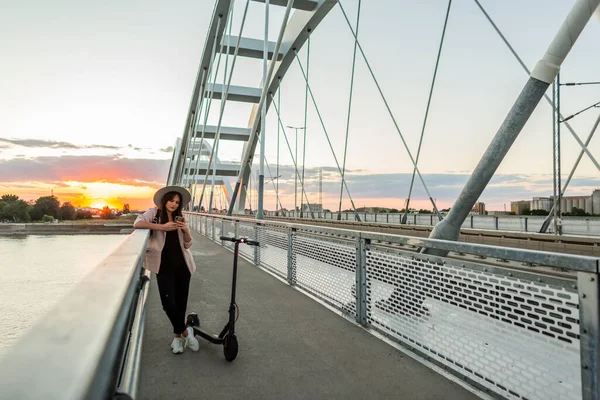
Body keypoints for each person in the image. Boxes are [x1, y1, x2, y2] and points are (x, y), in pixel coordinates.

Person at [133, 185, 200, 354]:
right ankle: (186, 332)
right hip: (163, 266)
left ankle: (177, 338)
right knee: (168, 303)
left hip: (183, 266)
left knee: (180, 303)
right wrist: (163, 227)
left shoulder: (180, 218)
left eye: (177, 202)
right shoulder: (153, 214)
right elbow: (137, 223)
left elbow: (188, 244)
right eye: (171, 200)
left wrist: (185, 230)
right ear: (165, 200)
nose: (174, 204)